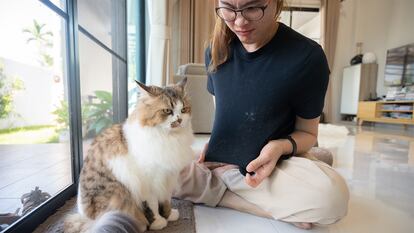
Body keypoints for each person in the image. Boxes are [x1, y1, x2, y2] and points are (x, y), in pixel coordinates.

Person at [173, 0, 349, 229]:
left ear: (276, 3)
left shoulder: (307, 57)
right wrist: (216, 142)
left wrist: (279, 147)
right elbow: (225, 115)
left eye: (253, 8)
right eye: (228, 8)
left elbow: (307, 132)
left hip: (273, 164)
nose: (239, 21)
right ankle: (237, 201)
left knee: (333, 198)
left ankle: (215, 188)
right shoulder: (215, 51)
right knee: (151, 170)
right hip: (222, 165)